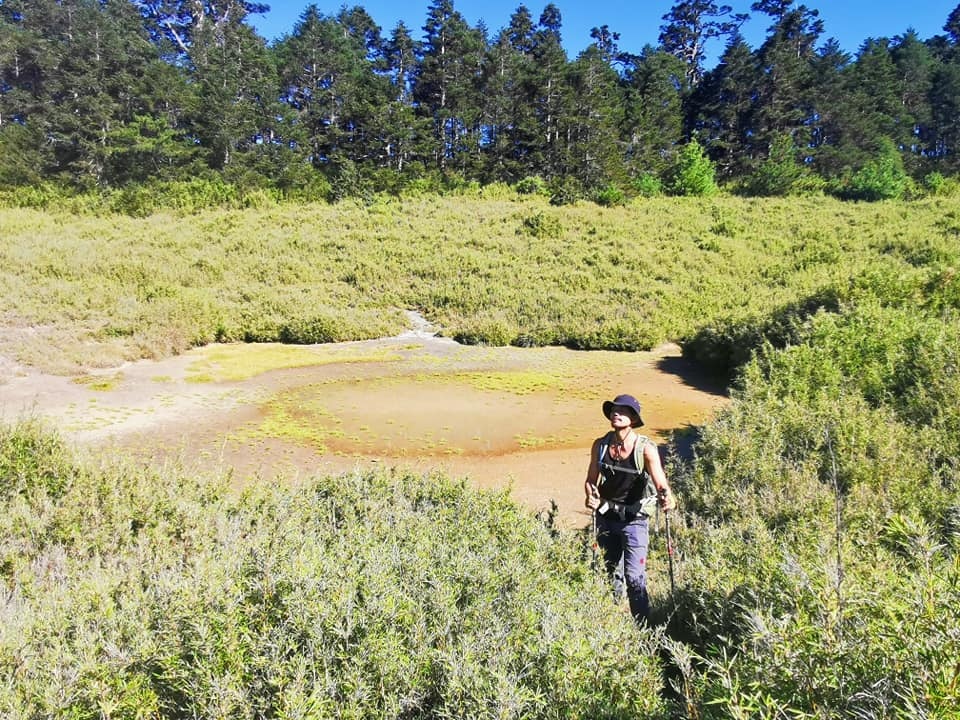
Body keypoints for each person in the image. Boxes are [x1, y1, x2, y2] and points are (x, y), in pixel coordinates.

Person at [584, 393, 676, 622]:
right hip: (606, 517)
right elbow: (590, 480)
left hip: (635, 520)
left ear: (633, 419)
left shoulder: (645, 449)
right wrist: (590, 496)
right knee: (609, 572)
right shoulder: (601, 445)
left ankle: (643, 628)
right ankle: (614, 620)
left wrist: (668, 498)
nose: (617, 413)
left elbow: (661, 483)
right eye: (614, 409)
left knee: (634, 577)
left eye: (623, 411)